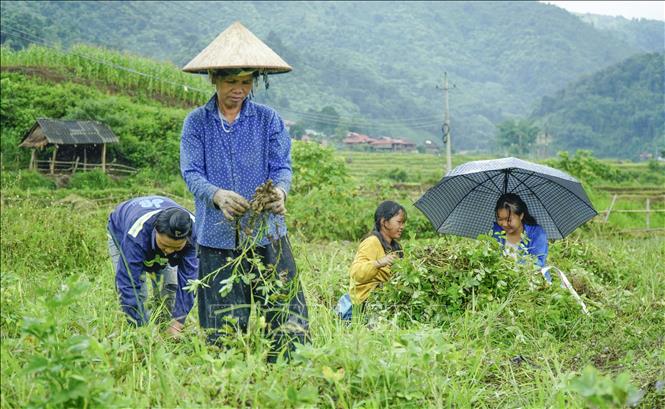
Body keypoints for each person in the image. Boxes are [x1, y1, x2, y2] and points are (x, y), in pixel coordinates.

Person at [179, 22, 308, 360]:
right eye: (231, 81)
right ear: (214, 80)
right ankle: (227, 373)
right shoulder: (196, 122)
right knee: (222, 317)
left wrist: (280, 191)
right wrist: (216, 195)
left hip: (268, 233)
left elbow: (282, 167)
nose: (239, 89)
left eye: (246, 82)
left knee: (282, 308)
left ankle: (288, 368)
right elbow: (191, 171)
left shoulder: (268, 120)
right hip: (216, 236)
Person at [107, 196, 197, 335]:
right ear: (155, 230)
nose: (168, 252)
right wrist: (145, 332)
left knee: (170, 287)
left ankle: (165, 327)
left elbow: (190, 281)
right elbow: (128, 283)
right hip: (121, 227)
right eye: (165, 245)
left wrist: (178, 323)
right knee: (139, 291)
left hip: (162, 236)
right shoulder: (136, 236)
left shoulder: (195, 234)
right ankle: (139, 329)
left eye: (176, 248)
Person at [336, 201, 407, 320]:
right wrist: (379, 263)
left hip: (387, 302)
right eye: (399, 222)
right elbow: (356, 273)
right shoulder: (371, 242)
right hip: (366, 304)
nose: (402, 227)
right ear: (384, 222)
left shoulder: (397, 247)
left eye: (403, 223)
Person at [492, 193, 550, 281]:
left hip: (532, 280)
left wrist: (513, 263)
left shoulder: (536, 233)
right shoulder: (496, 231)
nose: (503, 224)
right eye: (500, 219)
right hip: (503, 280)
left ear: (521, 216)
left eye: (508, 220)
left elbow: (538, 262)